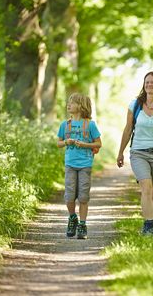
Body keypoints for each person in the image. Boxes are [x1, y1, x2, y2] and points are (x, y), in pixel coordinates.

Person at [117, 71, 153, 236]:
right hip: (138, 153)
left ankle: (151, 218)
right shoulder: (135, 105)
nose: (149, 85)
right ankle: (149, 225)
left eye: (152, 82)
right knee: (147, 189)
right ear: (144, 85)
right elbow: (128, 129)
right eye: (147, 82)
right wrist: (120, 152)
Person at [57, 92, 102, 239]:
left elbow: (98, 143)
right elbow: (58, 143)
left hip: (85, 165)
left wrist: (84, 144)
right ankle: (72, 218)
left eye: (72, 102)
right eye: (69, 102)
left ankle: (82, 225)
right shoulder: (65, 125)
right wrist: (66, 142)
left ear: (81, 106)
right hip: (70, 164)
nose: (68, 104)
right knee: (69, 196)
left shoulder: (90, 125)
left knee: (83, 196)